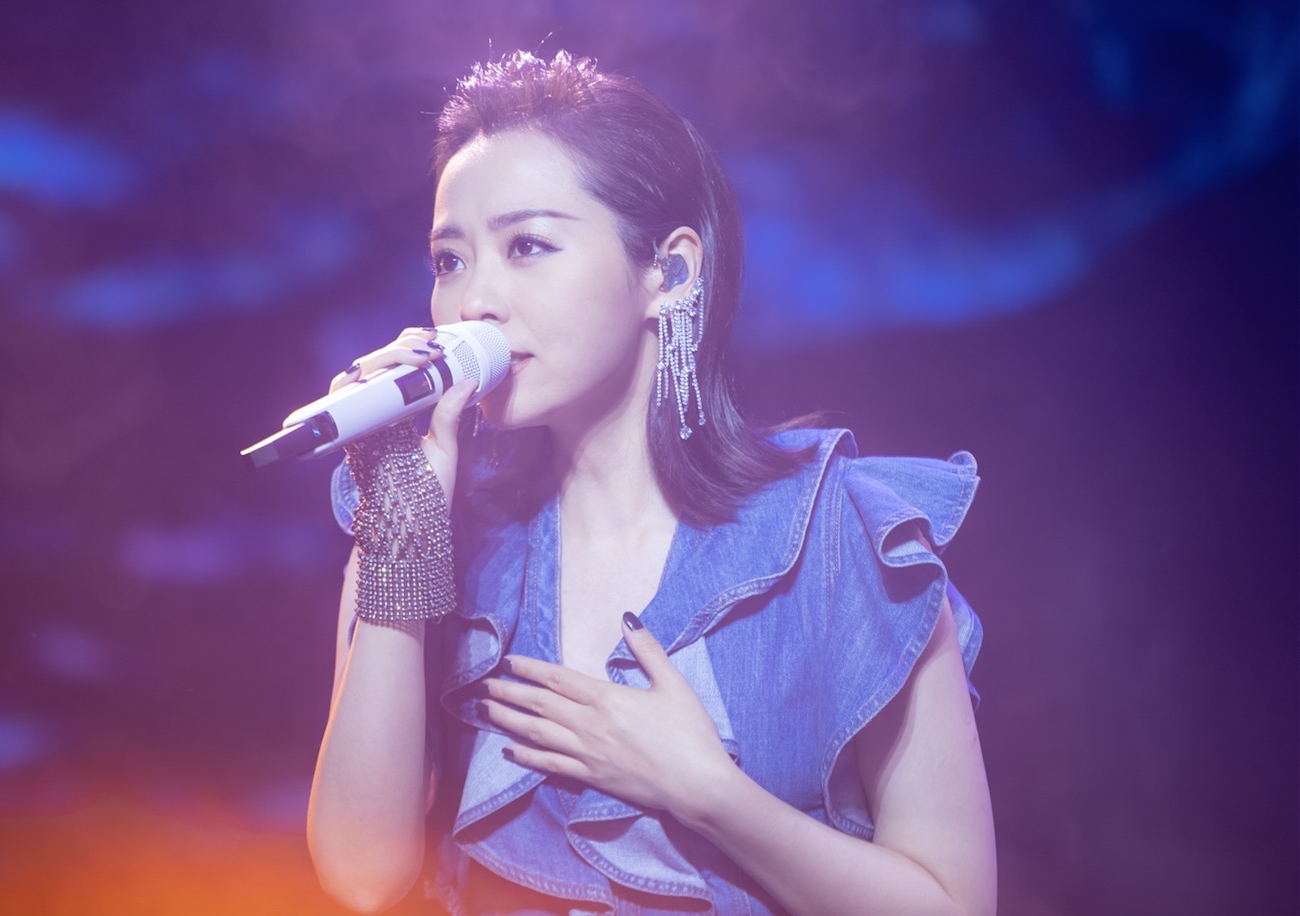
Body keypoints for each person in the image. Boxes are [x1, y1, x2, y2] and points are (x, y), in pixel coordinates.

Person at [306, 49, 996, 915]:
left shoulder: (840, 532)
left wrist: (708, 793)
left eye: (527, 246)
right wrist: (403, 520)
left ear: (668, 273)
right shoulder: (424, 527)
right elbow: (360, 875)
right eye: (450, 260)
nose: (473, 301)